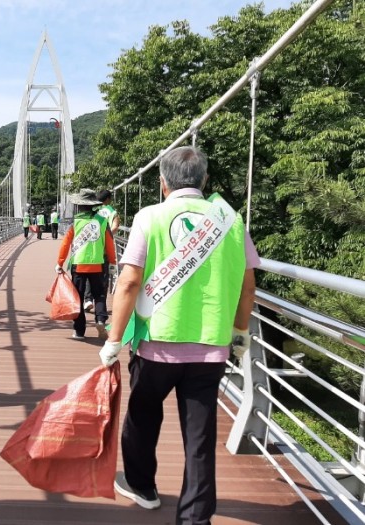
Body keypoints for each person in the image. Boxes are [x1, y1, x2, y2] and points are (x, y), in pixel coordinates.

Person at [98, 146, 259, 525]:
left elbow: (129, 281)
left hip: (156, 345)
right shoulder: (230, 220)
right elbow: (247, 287)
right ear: (205, 180)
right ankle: (195, 519)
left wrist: (113, 340)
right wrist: (239, 332)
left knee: (141, 416)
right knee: (199, 439)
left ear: (162, 182)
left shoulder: (150, 216)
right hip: (210, 349)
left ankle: (142, 487)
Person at [55, 188, 117, 341]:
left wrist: (60, 263)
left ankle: (79, 331)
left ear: (79, 206)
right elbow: (109, 243)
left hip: (79, 264)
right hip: (98, 263)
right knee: (99, 295)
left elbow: (65, 244)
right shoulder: (102, 221)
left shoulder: (74, 223)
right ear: (93, 205)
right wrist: (113, 263)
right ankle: (101, 320)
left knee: (79, 298)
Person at [83, 189, 120, 311]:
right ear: (108, 199)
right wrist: (106, 235)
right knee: (103, 277)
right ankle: (101, 304)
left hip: (91, 248)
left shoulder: (93, 210)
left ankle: (88, 299)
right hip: (104, 249)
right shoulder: (112, 212)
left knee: (89, 274)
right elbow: (115, 227)